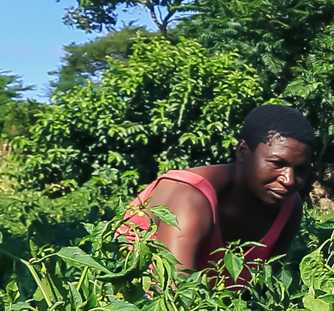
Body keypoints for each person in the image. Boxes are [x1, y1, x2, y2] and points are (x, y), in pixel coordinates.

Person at [123, 104, 316, 284]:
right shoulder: (191, 197)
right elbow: (174, 293)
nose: (289, 180)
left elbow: (264, 290)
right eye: (277, 164)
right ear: (242, 151)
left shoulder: (289, 207)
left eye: (300, 169)